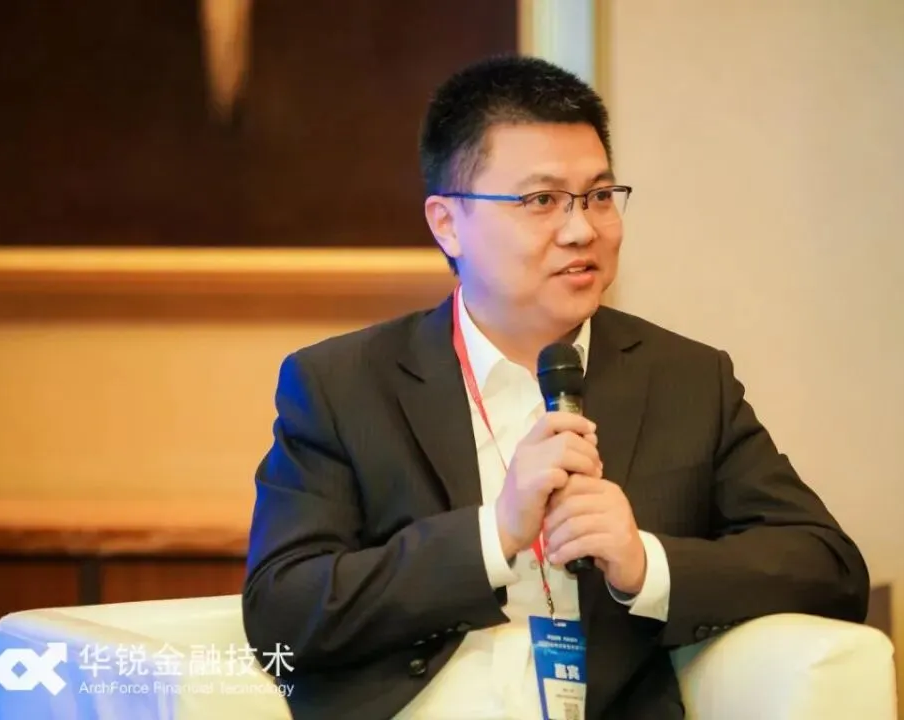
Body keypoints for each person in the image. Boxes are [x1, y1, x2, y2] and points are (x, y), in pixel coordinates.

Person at [242, 55, 870, 720]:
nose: (582, 229)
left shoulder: (686, 379)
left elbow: (829, 568)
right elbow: (284, 611)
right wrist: (493, 535)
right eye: (541, 201)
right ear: (448, 223)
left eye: (599, 196)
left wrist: (646, 565)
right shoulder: (343, 385)